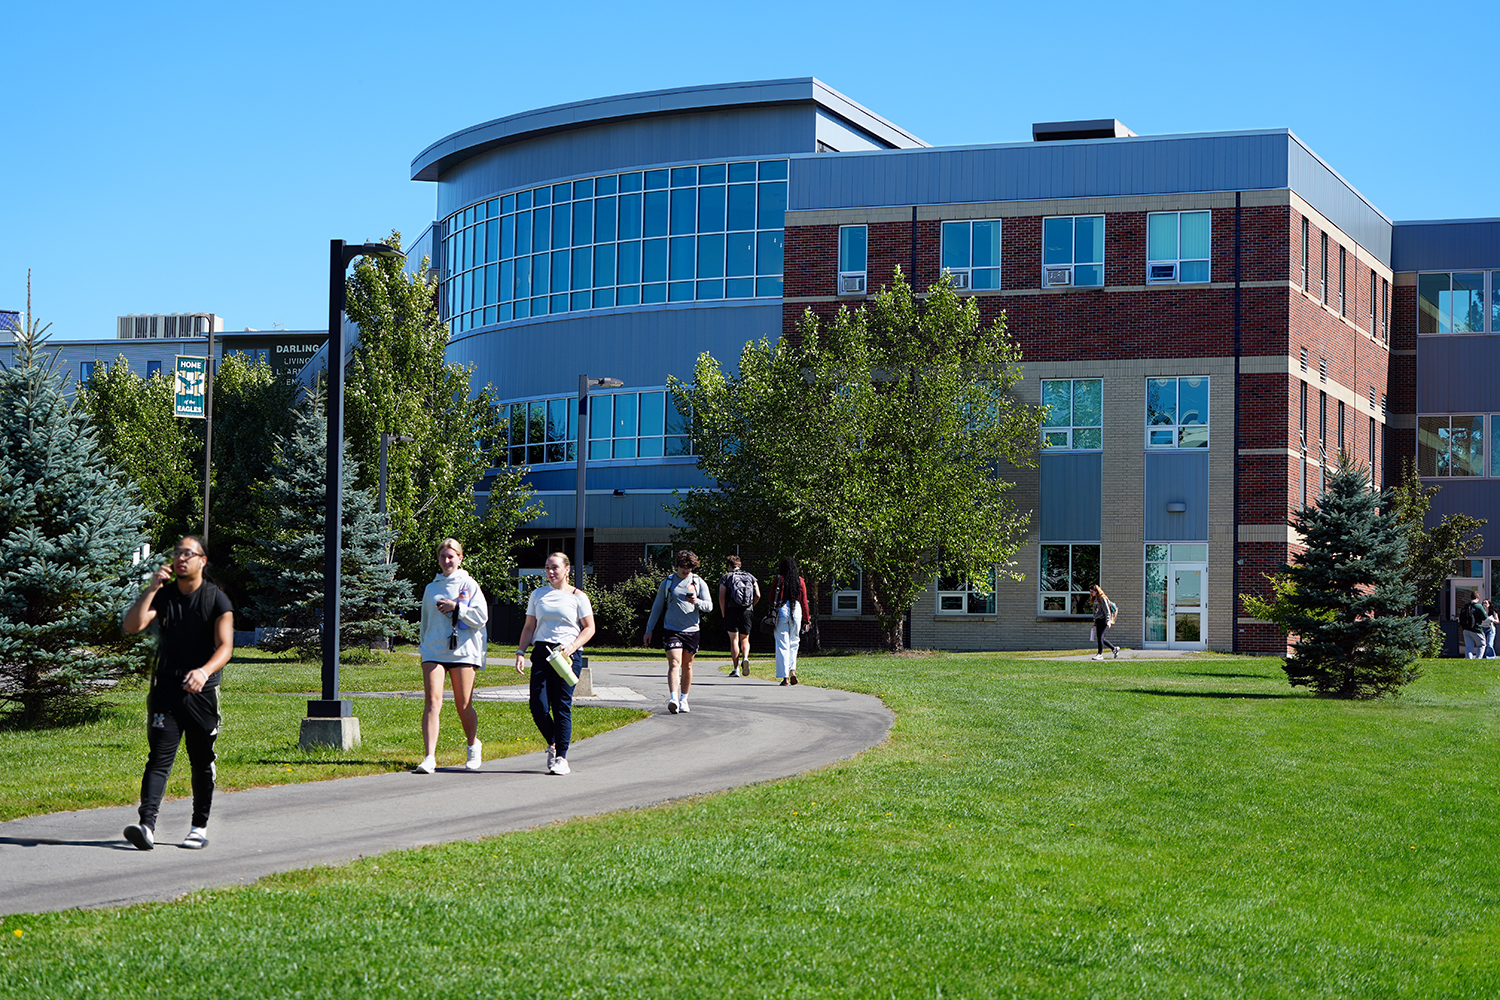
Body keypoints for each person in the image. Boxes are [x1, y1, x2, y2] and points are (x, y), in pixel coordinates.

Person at [121, 536, 233, 851]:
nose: (181, 558)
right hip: (166, 689)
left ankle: (198, 826)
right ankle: (147, 826)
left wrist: (204, 671)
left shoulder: (216, 599)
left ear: (202, 561)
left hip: (201, 692)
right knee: (158, 758)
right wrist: (153, 587)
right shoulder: (165, 595)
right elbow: (132, 625)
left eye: (188, 553)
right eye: (177, 553)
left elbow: (226, 647)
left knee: (201, 760)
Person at [514, 552, 595, 775]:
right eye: (548, 567)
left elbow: (589, 628)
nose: (550, 572)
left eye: (555, 568)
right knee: (537, 706)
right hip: (542, 651)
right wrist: (521, 651)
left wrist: (573, 645)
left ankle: (562, 757)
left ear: (567, 570)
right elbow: (530, 626)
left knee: (561, 706)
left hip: (567, 654)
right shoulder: (538, 595)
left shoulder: (579, 597)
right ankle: (553, 742)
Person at [415, 538, 489, 773]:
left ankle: (473, 744)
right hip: (434, 650)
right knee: (432, 702)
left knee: (463, 704)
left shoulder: (470, 584)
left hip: (463, 652)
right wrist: (424, 647)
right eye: (443, 557)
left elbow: (481, 618)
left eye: (451, 556)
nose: (447, 561)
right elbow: (425, 622)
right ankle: (429, 757)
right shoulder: (431, 588)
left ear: (460, 558)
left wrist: (457, 607)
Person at [643, 550, 712, 713]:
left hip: (692, 630)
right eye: (683, 568)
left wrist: (697, 602)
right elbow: (657, 607)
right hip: (671, 629)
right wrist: (649, 629)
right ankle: (673, 698)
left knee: (687, 665)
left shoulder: (698, 582)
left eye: (689, 568)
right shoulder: (668, 582)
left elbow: (710, 606)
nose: (686, 571)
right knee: (674, 663)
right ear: (677, 566)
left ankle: (684, 699)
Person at [768, 556, 810, 686]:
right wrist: (807, 620)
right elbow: (804, 602)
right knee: (794, 642)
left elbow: (770, 598)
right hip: (796, 610)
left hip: (782, 610)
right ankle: (793, 671)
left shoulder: (779, 579)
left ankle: (785, 677)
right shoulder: (800, 580)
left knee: (782, 643)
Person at [718, 554, 760, 677]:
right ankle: (745, 658)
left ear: (729, 566)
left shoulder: (726, 577)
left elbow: (722, 596)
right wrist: (751, 605)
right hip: (747, 610)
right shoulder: (750, 577)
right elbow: (758, 594)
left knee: (734, 640)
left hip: (731, 610)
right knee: (745, 638)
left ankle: (736, 669)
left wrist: (723, 611)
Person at [1089, 583, 1119, 660]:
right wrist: (1095, 621)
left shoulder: (1102, 598)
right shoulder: (1095, 599)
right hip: (1098, 620)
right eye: (1090, 592)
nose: (1091, 593)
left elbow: (1107, 611)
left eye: (1092, 591)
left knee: (1100, 637)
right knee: (1100, 638)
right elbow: (1096, 611)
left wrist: (1108, 621)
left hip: (1103, 620)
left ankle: (1100, 654)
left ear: (1096, 591)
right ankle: (1114, 649)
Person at [1460, 594, 1486, 659]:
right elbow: (1484, 617)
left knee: (1469, 647)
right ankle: (1478, 659)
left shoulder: (1466, 606)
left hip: (1466, 630)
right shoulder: (1478, 606)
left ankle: (1469, 660)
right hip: (1476, 629)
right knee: (1481, 645)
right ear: (1477, 598)